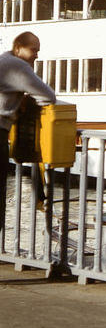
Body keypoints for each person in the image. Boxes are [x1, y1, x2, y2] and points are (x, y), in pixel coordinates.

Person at [0, 31, 57, 233]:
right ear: (18, 48)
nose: (36, 55)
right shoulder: (17, 65)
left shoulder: (4, 60)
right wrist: (29, 101)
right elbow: (48, 96)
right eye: (33, 50)